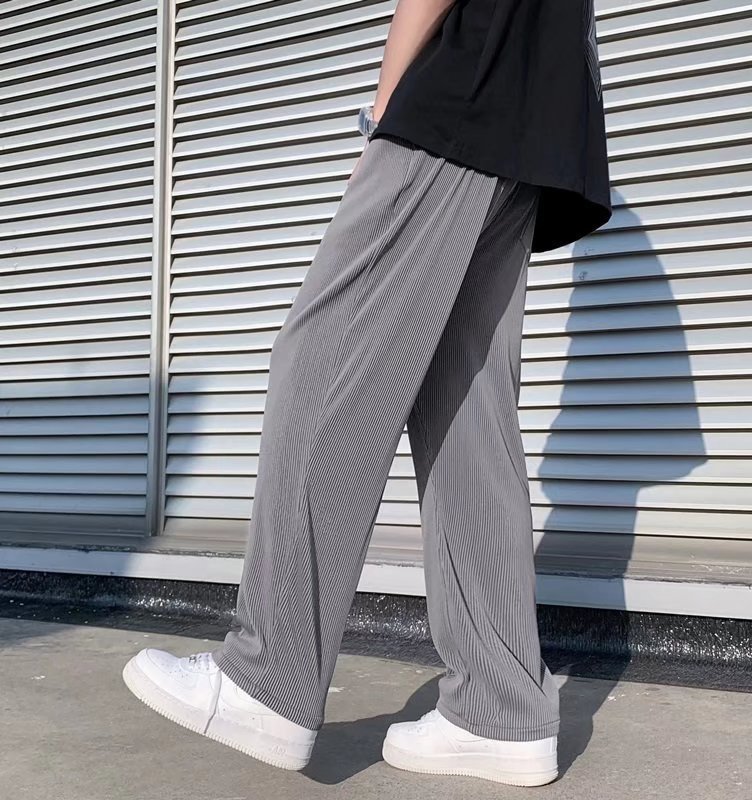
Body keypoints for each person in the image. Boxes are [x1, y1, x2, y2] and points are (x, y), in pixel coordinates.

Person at [122, 0, 611, 787]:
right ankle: (499, 708)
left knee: (323, 353)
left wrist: (385, 107)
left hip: (467, 84)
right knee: (465, 408)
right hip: (542, 109)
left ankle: (266, 680)